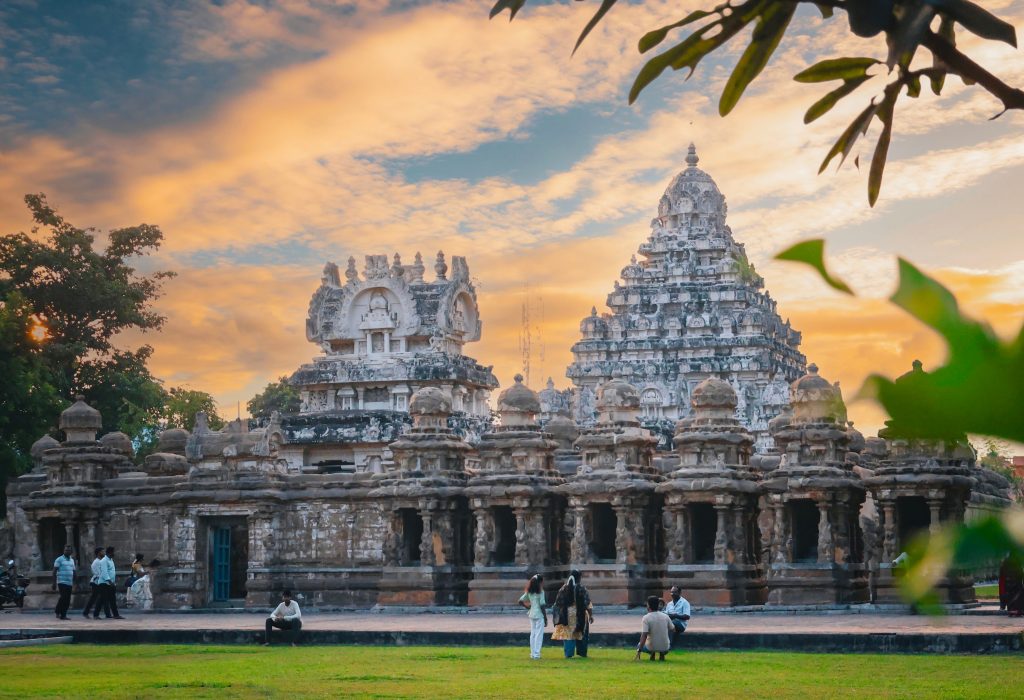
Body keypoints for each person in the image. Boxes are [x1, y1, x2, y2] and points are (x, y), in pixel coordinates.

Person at [551, 569, 593, 659]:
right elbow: (587, 603)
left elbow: (557, 603)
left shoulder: (564, 588)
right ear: (579, 578)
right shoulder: (581, 588)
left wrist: (558, 616)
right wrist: (591, 615)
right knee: (581, 633)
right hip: (580, 614)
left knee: (568, 635)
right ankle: (582, 652)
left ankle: (568, 654)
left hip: (567, 615)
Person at [635, 595, 674, 662]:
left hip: (651, 647)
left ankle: (652, 654)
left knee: (639, 644)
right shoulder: (666, 616)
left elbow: (644, 635)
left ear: (648, 606)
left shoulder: (646, 618)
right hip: (666, 647)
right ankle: (662, 654)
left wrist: (639, 650)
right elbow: (673, 629)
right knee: (665, 643)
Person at [518, 574, 547, 660]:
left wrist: (528, 607)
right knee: (539, 635)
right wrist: (545, 617)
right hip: (539, 614)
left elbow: (520, 601)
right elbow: (542, 605)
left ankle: (533, 653)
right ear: (540, 582)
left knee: (533, 634)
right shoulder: (541, 592)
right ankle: (537, 654)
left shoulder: (529, 591)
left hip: (532, 614)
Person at [82, 547, 111, 619]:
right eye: (103, 552)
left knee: (101, 598)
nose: (104, 553)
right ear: (99, 553)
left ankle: (90, 613)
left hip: (100, 582)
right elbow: (99, 573)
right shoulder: (96, 562)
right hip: (96, 582)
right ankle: (95, 614)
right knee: (98, 598)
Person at [51, 545, 76, 620]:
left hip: (69, 582)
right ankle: (60, 613)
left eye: (68, 550)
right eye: (66, 550)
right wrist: (54, 583)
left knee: (67, 599)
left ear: (71, 552)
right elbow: (54, 571)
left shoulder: (72, 560)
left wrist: (75, 581)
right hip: (61, 581)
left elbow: (74, 571)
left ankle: (61, 613)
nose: (67, 551)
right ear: (63, 551)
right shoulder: (59, 559)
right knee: (64, 597)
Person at [100, 546, 123, 619]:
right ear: (110, 552)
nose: (114, 553)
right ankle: (108, 614)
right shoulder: (104, 560)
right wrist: (110, 581)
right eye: (113, 552)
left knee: (112, 599)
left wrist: (113, 582)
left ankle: (115, 614)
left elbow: (111, 571)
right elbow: (104, 572)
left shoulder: (111, 560)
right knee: (105, 600)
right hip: (104, 583)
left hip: (110, 583)